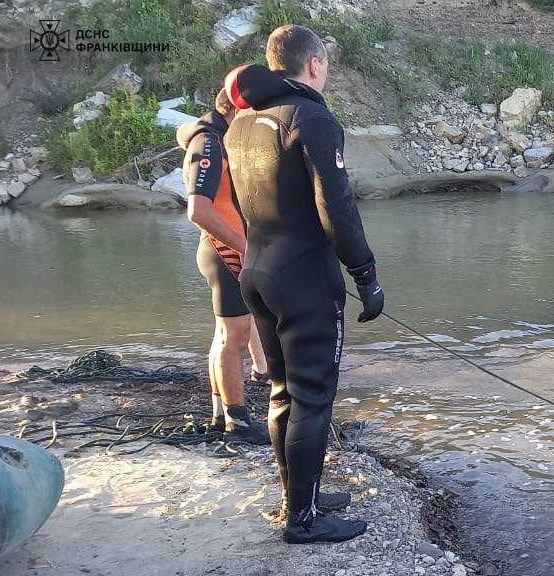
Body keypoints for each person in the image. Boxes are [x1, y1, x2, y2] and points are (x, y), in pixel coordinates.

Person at [222, 24, 385, 544]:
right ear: (313, 64)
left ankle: (300, 496)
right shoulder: (311, 117)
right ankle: (303, 520)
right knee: (313, 397)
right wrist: (365, 274)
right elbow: (336, 208)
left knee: (281, 392)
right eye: (326, 65)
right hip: (306, 279)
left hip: (258, 271)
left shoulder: (242, 123)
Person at [177, 88, 272, 445]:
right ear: (235, 109)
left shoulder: (215, 137)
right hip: (224, 254)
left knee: (224, 337)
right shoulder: (210, 144)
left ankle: (221, 414)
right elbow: (198, 210)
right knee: (235, 338)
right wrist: (245, 248)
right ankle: (239, 422)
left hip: (222, 252)